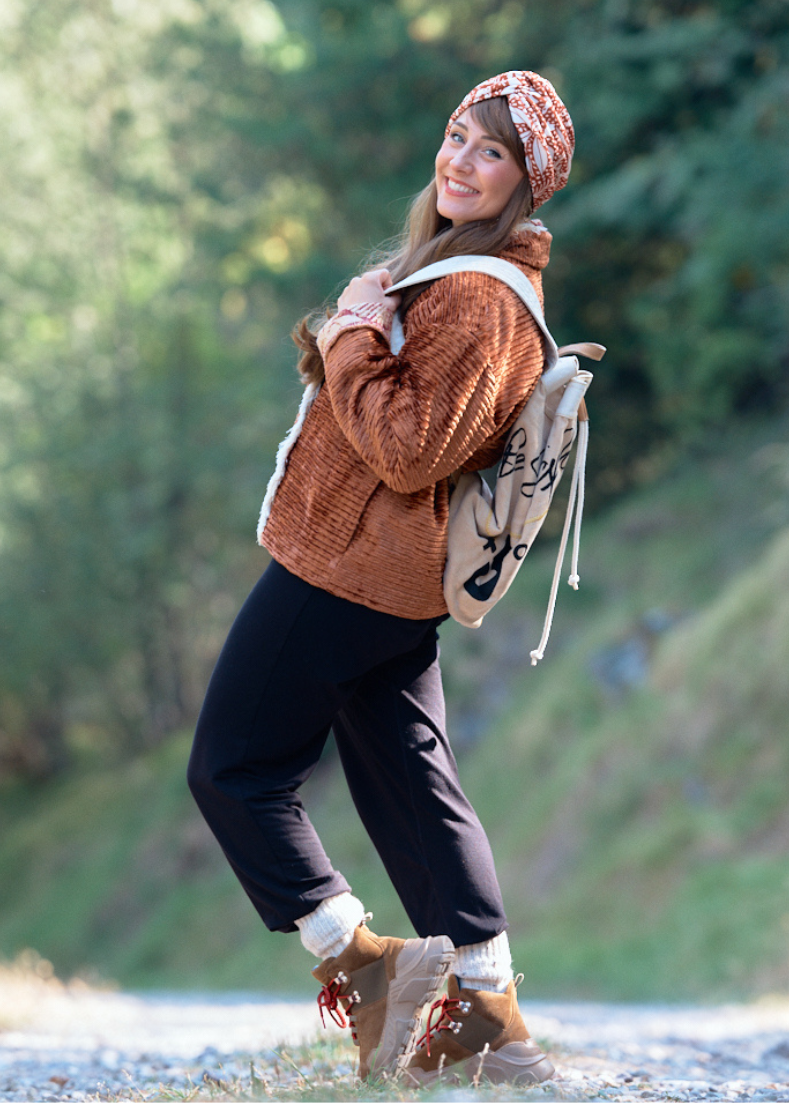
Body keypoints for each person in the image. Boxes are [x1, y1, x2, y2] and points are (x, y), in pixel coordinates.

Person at [186, 71, 575, 1086]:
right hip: (380, 575)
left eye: (491, 151)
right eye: (456, 135)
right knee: (413, 785)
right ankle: (491, 1013)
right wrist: (355, 331)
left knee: (233, 768)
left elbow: (409, 451)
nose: (460, 160)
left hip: (348, 570)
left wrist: (352, 327)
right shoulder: (452, 271)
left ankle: (362, 966)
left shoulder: (481, 296)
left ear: (526, 182)